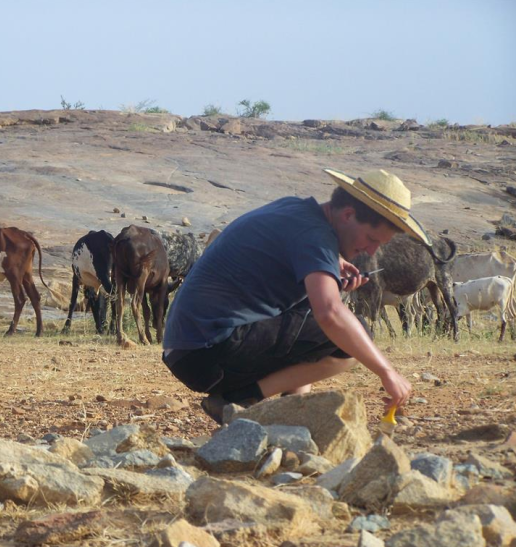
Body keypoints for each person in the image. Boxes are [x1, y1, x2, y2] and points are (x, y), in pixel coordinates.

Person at [162, 168, 429, 424]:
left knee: (315, 325)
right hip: (208, 352)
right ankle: (238, 400)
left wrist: (329, 264)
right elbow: (330, 314)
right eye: (371, 239)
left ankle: (295, 415)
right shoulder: (314, 236)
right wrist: (387, 371)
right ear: (348, 214)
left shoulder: (297, 211)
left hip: (190, 349)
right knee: (350, 335)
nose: (370, 252)